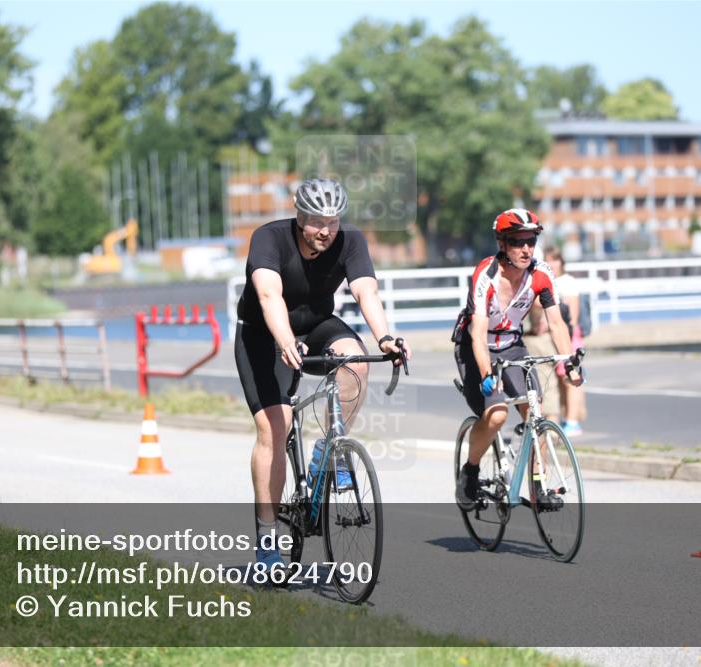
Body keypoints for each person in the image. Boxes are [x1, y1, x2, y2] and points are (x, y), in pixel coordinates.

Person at [234, 177, 411, 573]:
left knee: (356, 360)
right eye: (317, 221)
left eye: (332, 222)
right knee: (274, 429)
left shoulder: (350, 240)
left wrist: (385, 338)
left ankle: (329, 448)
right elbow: (268, 296)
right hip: (263, 333)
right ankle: (267, 538)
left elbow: (366, 292)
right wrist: (284, 340)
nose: (325, 231)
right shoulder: (269, 238)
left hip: (316, 325)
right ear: (299, 216)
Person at [452, 209, 582, 511]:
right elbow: (478, 333)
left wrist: (570, 363)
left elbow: (557, 324)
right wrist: (487, 375)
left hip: (512, 345)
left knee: (537, 413)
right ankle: (470, 472)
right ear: (502, 244)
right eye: (517, 242)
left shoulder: (541, 274)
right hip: (476, 348)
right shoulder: (486, 276)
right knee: (496, 415)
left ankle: (538, 486)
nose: (526, 249)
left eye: (531, 241)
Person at [544, 247, 587, 437]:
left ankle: (572, 421)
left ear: (561, 262)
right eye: (548, 261)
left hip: (569, 334)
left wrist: (567, 339)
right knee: (559, 380)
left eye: (555, 260)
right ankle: (566, 417)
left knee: (571, 378)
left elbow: (573, 317)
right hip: (553, 336)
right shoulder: (546, 282)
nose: (552, 264)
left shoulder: (567, 282)